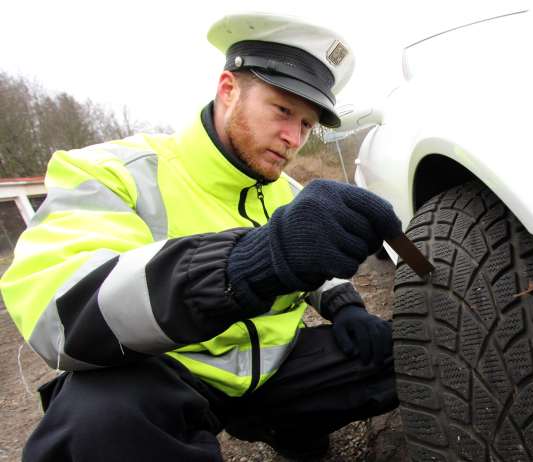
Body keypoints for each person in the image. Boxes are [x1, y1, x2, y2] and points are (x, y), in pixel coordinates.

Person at [0, 12, 403, 462]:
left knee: (407, 350)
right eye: (283, 110)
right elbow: (61, 310)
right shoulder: (110, 171)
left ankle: (295, 430)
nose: (292, 138)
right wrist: (243, 266)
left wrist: (344, 305)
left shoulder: (287, 191)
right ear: (228, 90)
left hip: (275, 369)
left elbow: (309, 265)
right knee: (97, 419)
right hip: (177, 376)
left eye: (306, 125)